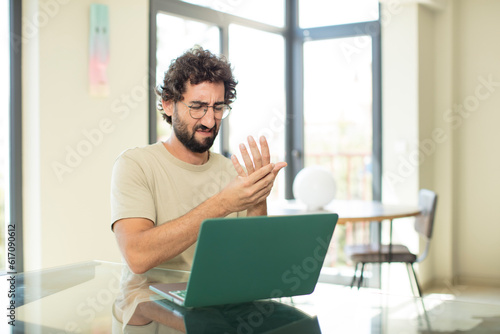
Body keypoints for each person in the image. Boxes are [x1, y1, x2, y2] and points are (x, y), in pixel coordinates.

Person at [111, 48, 286, 274]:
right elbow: (137, 256)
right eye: (197, 107)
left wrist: (256, 200)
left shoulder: (234, 174)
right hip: (151, 304)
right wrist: (223, 203)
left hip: (217, 304)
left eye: (218, 108)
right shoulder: (135, 165)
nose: (209, 121)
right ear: (168, 104)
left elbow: (255, 265)